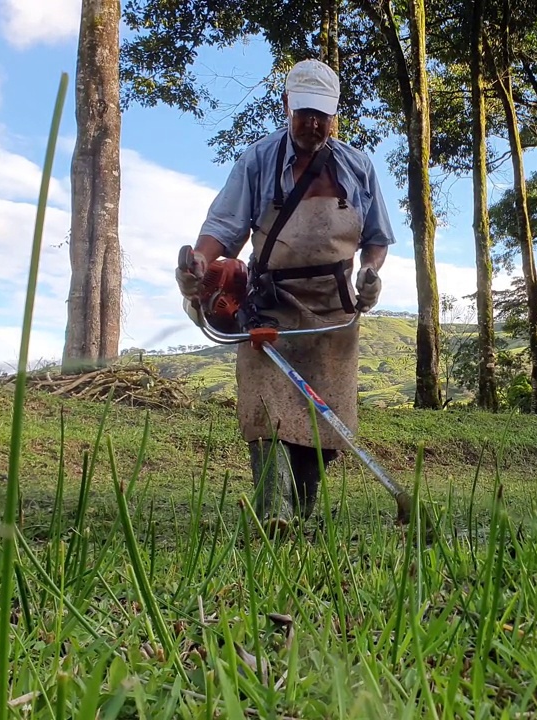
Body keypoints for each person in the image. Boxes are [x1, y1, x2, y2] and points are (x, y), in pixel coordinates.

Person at [175, 58, 394, 534]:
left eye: (324, 114)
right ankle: (273, 513)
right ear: (286, 105)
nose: (314, 123)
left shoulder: (356, 167)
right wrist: (199, 263)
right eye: (305, 112)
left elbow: (376, 238)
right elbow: (223, 230)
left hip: (333, 312)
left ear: (336, 115)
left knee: (325, 424)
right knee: (268, 409)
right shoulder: (258, 161)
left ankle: (299, 506)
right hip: (271, 304)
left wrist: (370, 273)